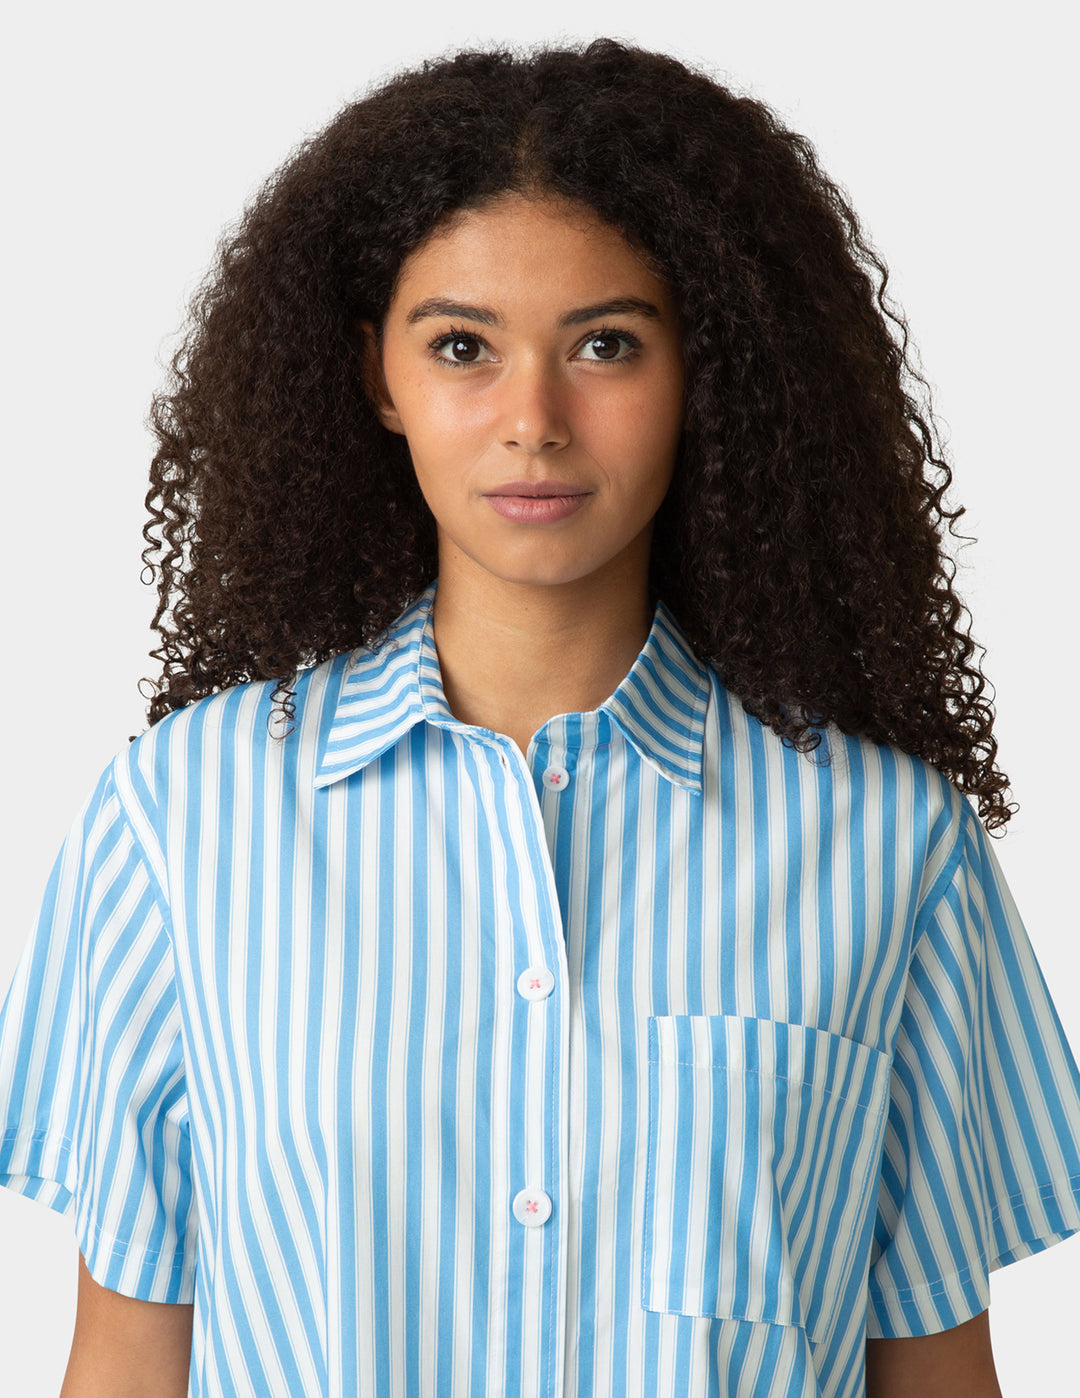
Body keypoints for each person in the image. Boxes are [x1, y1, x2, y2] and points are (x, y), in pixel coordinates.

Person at [1, 34, 1078, 1398]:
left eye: (608, 346)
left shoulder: (888, 846)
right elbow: (127, 1359)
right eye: (462, 346)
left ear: (706, 375)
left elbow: (937, 1374)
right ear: (379, 380)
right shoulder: (178, 817)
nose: (534, 420)